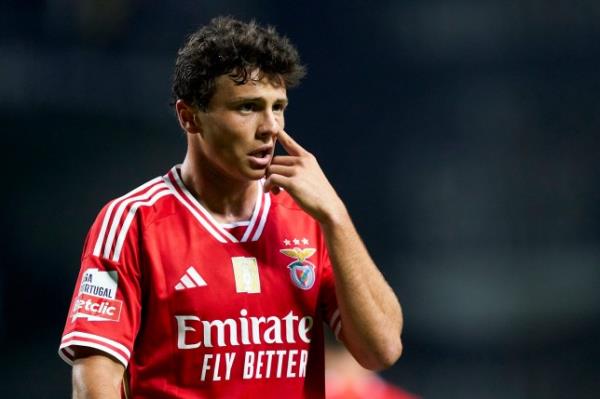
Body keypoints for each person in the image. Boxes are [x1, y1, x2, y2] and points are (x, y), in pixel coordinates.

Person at [58, 16, 403, 398]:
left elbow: (382, 350)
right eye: (247, 107)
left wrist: (335, 216)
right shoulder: (132, 223)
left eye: (278, 106)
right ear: (189, 116)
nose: (270, 127)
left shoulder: (309, 218)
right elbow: (94, 382)